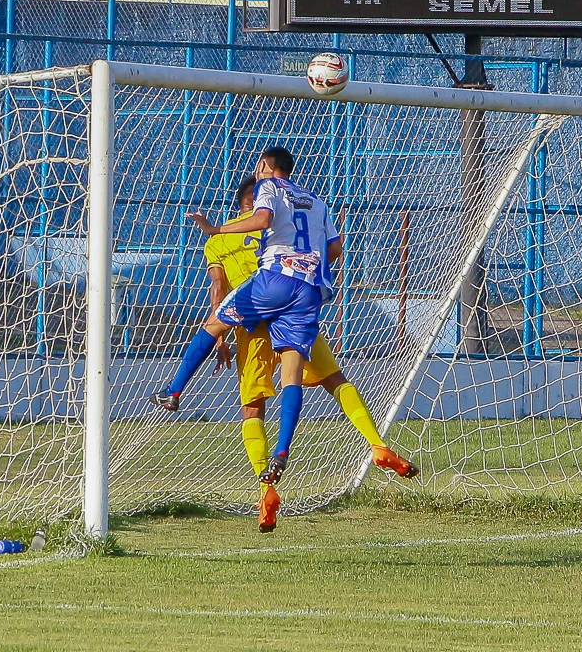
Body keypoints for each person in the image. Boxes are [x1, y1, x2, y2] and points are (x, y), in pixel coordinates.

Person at [153, 147, 343, 533]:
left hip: (272, 282)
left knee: (215, 324)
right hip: (310, 292)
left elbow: (261, 220)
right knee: (292, 375)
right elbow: (335, 250)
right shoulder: (318, 202)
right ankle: (283, 449)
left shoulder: (269, 186)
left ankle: (173, 392)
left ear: (267, 168)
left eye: (259, 167)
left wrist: (215, 229)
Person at [201, 174, 417, 488]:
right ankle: (377, 444)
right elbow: (328, 252)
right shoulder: (282, 226)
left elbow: (219, 285)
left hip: (251, 326)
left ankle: (267, 491)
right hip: (295, 314)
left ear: (239, 206)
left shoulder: (220, 240)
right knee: (335, 380)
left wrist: (218, 333)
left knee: (253, 407)